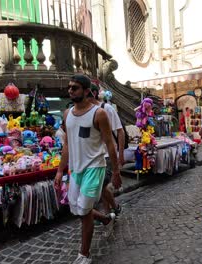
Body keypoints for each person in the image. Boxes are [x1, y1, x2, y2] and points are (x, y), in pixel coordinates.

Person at [54, 74, 121, 264]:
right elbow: (67, 145)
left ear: (85, 91)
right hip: (76, 170)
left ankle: (84, 254)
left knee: (83, 212)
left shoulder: (98, 114)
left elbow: (109, 144)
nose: (70, 91)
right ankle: (107, 219)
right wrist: (60, 170)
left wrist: (116, 172)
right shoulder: (67, 114)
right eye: (69, 87)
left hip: (95, 167)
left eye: (74, 88)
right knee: (78, 210)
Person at [87, 83, 124, 216]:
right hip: (94, 156)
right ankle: (108, 213)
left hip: (108, 154)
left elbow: (120, 131)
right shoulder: (84, 111)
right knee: (101, 186)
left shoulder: (106, 108)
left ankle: (113, 208)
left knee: (101, 185)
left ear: (94, 93)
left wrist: (121, 154)